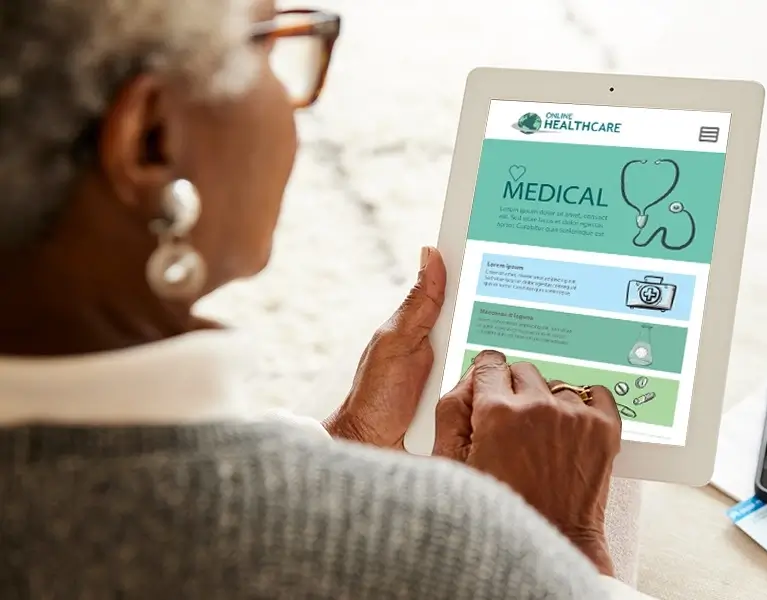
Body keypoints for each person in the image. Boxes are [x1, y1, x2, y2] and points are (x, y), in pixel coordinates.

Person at [0, 2, 650, 598]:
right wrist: (560, 546)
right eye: (267, 45)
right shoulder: (459, 548)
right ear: (152, 138)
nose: (294, 99)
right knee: (610, 458)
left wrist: (352, 436)